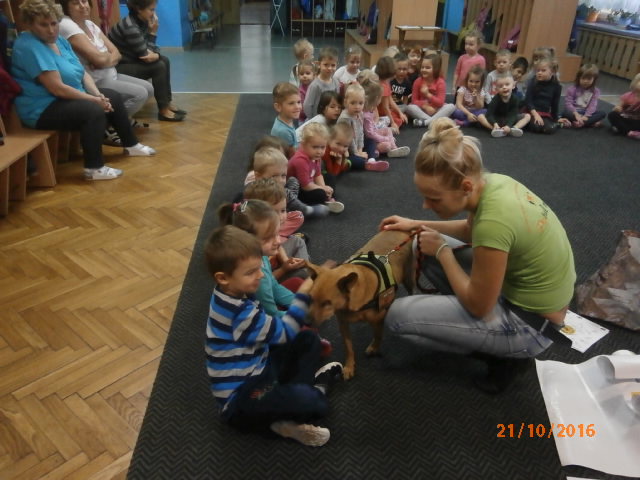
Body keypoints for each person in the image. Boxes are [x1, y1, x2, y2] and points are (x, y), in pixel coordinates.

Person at [380, 117, 576, 393]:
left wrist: (443, 252)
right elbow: (471, 232)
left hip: (534, 326)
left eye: (434, 198)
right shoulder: (493, 183)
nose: (425, 205)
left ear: (465, 187)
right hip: (525, 295)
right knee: (420, 243)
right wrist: (415, 224)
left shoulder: (494, 221)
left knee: (398, 318)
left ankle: (508, 357)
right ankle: (474, 328)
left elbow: (479, 306)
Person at [204, 224, 342, 446]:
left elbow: (273, 330)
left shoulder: (231, 291)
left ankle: (283, 413)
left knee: (308, 340)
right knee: (314, 403)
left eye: (259, 267)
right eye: (250, 272)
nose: (260, 275)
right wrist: (304, 293)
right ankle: (315, 390)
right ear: (223, 278)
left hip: (261, 369)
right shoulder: (239, 312)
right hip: (242, 400)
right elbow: (284, 332)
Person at [10, 0, 155, 181]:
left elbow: (82, 72)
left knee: (112, 96)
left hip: (64, 100)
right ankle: (94, 169)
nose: (51, 30)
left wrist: (97, 94)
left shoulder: (59, 41)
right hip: (41, 109)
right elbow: (57, 89)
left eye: (54, 23)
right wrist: (93, 101)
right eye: (43, 25)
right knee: (92, 111)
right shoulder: (29, 46)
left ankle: (131, 145)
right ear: (30, 24)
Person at [58, 0, 153, 146]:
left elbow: (116, 52)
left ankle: (122, 120)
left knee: (149, 88)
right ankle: (106, 127)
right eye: (76, 3)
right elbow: (100, 58)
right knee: (139, 94)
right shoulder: (67, 25)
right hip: (95, 82)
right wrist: (104, 58)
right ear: (66, 7)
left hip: (110, 73)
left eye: (84, 1)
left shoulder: (90, 24)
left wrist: (105, 60)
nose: (83, 6)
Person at [108, 0, 186, 122]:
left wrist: (156, 54)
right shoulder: (130, 27)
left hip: (131, 60)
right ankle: (163, 111)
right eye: (151, 10)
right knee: (158, 66)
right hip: (119, 67)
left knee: (164, 60)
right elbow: (146, 55)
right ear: (139, 9)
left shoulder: (141, 21)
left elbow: (149, 51)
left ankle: (167, 103)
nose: (154, 14)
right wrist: (153, 33)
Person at [288, 123, 344, 213]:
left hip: (310, 183)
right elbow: (305, 186)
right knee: (320, 193)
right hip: (298, 190)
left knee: (330, 177)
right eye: (315, 147)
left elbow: (318, 175)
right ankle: (325, 200)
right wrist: (322, 189)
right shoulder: (300, 160)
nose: (319, 151)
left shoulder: (315, 156)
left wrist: (323, 187)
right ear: (303, 145)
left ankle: (328, 199)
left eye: (322, 147)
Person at [361, 79, 409, 159]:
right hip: (369, 141)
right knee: (387, 145)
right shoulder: (366, 115)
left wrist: (382, 135)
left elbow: (373, 126)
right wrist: (385, 139)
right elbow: (370, 135)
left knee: (388, 130)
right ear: (376, 98)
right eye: (380, 97)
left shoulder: (370, 109)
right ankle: (377, 150)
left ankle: (394, 148)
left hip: (374, 134)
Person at [407, 53, 456, 128]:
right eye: (422, 67)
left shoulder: (440, 82)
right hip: (423, 110)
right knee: (410, 107)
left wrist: (427, 95)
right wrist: (425, 106)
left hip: (436, 110)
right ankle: (434, 122)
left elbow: (440, 102)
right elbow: (414, 100)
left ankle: (426, 122)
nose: (424, 70)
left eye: (427, 68)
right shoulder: (418, 81)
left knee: (451, 107)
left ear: (436, 69)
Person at [558, 63, 605, 129]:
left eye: (589, 79)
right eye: (583, 78)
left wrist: (586, 116)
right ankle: (588, 123)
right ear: (579, 78)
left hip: (586, 113)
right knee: (565, 113)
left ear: (594, 79)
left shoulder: (596, 91)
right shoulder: (572, 89)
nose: (585, 81)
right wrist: (576, 114)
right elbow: (568, 103)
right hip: (574, 112)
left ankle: (580, 123)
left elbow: (593, 105)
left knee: (602, 113)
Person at [524, 56, 561, 134]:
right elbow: (528, 101)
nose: (539, 73)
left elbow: (555, 105)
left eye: (543, 70)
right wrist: (536, 115)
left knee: (549, 129)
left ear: (552, 71)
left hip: (545, 113)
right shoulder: (533, 82)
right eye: (538, 70)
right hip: (532, 111)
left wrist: (556, 120)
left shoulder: (557, 86)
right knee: (536, 127)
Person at [302, 47, 340, 120]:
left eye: (333, 65)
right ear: (319, 64)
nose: (329, 68)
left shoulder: (336, 82)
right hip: (316, 121)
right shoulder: (315, 85)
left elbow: (337, 102)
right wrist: (313, 119)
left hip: (330, 120)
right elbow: (307, 106)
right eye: (326, 65)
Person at [375, 55, 407, 133]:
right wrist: (392, 123)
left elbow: (391, 101)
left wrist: (400, 112)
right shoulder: (383, 87)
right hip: (380, 114)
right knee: (398, 121)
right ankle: (384, 129)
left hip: (382, 112)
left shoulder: (385, 82)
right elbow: (385, 108)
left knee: (400, 117)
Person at [271, 82, 302, 158]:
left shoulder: (286, 120)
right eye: (291, 103)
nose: (297, 107)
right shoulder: (283, 131)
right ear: (278, 107)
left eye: (299, 102)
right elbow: (293, 156)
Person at [607, 72, 640, 139]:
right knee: (612, 115)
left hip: (636, 121)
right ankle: (628, 132)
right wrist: (617, 108)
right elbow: (618, 106)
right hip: (624, 118)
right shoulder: (628, 96)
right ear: (635, 83)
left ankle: (620, 128)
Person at [297, 59, 315, 123]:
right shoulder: (300, 91)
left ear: (314, 75)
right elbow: (301, 109)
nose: (304, 76)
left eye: (307, 73)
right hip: (303, 120)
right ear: (298, 76)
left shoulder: (316, 86)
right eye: (301, 74)